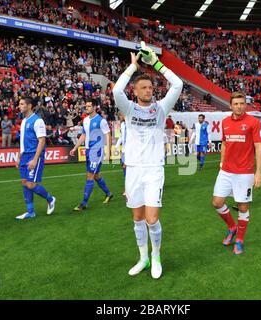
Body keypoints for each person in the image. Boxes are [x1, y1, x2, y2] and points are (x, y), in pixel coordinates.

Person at [112, 43, 183, 279]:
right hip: (133, 170)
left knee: (152, 218)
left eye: (150, 87)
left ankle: (156, 256)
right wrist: (132, 68)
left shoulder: (161, 109)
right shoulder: (129, 109)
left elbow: (178, 84)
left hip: (154, 170)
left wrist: (156, 63)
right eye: (143, 87)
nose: (148, 90)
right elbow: (116, 92)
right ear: (135, 90)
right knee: (137, 218)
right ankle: (142, 257)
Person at [212, 91, 261, 255]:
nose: (239, 106)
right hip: (226, 171)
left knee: (242, 207)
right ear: (230, 106)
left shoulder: (253, 122)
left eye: (242, 103)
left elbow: (259, 146)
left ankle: (240, 239)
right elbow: (225, 144)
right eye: (236, 104)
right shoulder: (225, 122)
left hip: (244, 172)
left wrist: (259, 173)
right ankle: (232, 227)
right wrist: (221, 163)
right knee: (217, 203)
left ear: (245, 105)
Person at [15, 97, 56, 220]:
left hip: (34, 156)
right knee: (24, 183)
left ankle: (50, 199)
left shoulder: (38, 121)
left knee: (31, 184)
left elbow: (42, 140)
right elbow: (23, 141)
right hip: (24, 155)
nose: (19, 106)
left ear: (29, 106)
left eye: (22, 104)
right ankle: (30, 212)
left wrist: (35, 159)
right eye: (19, 104)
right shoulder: (23, 121)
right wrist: (19, 156)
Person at [70, 99, 113, 211]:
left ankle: (83, 203)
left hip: (97, 151)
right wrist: (75, 147)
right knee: (96, 175)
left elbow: (108, 135)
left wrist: (108, 152)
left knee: (89, 176)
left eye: (89, 106)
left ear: (94, 107)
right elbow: (84, 135)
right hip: (88, 150)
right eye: (86, 106)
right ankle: (108, 193)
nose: (87, 108)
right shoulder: (85, 120)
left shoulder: (101, 121)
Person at [115, 111, 127, 196]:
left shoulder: (131, 125)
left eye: (120, 116)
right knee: (124, 170)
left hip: (130, 151)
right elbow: (121, 136)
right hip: (123, 150)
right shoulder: (122, 125)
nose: (119, 118)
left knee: (127, 169)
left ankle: (128, 189)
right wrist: (116, 146)